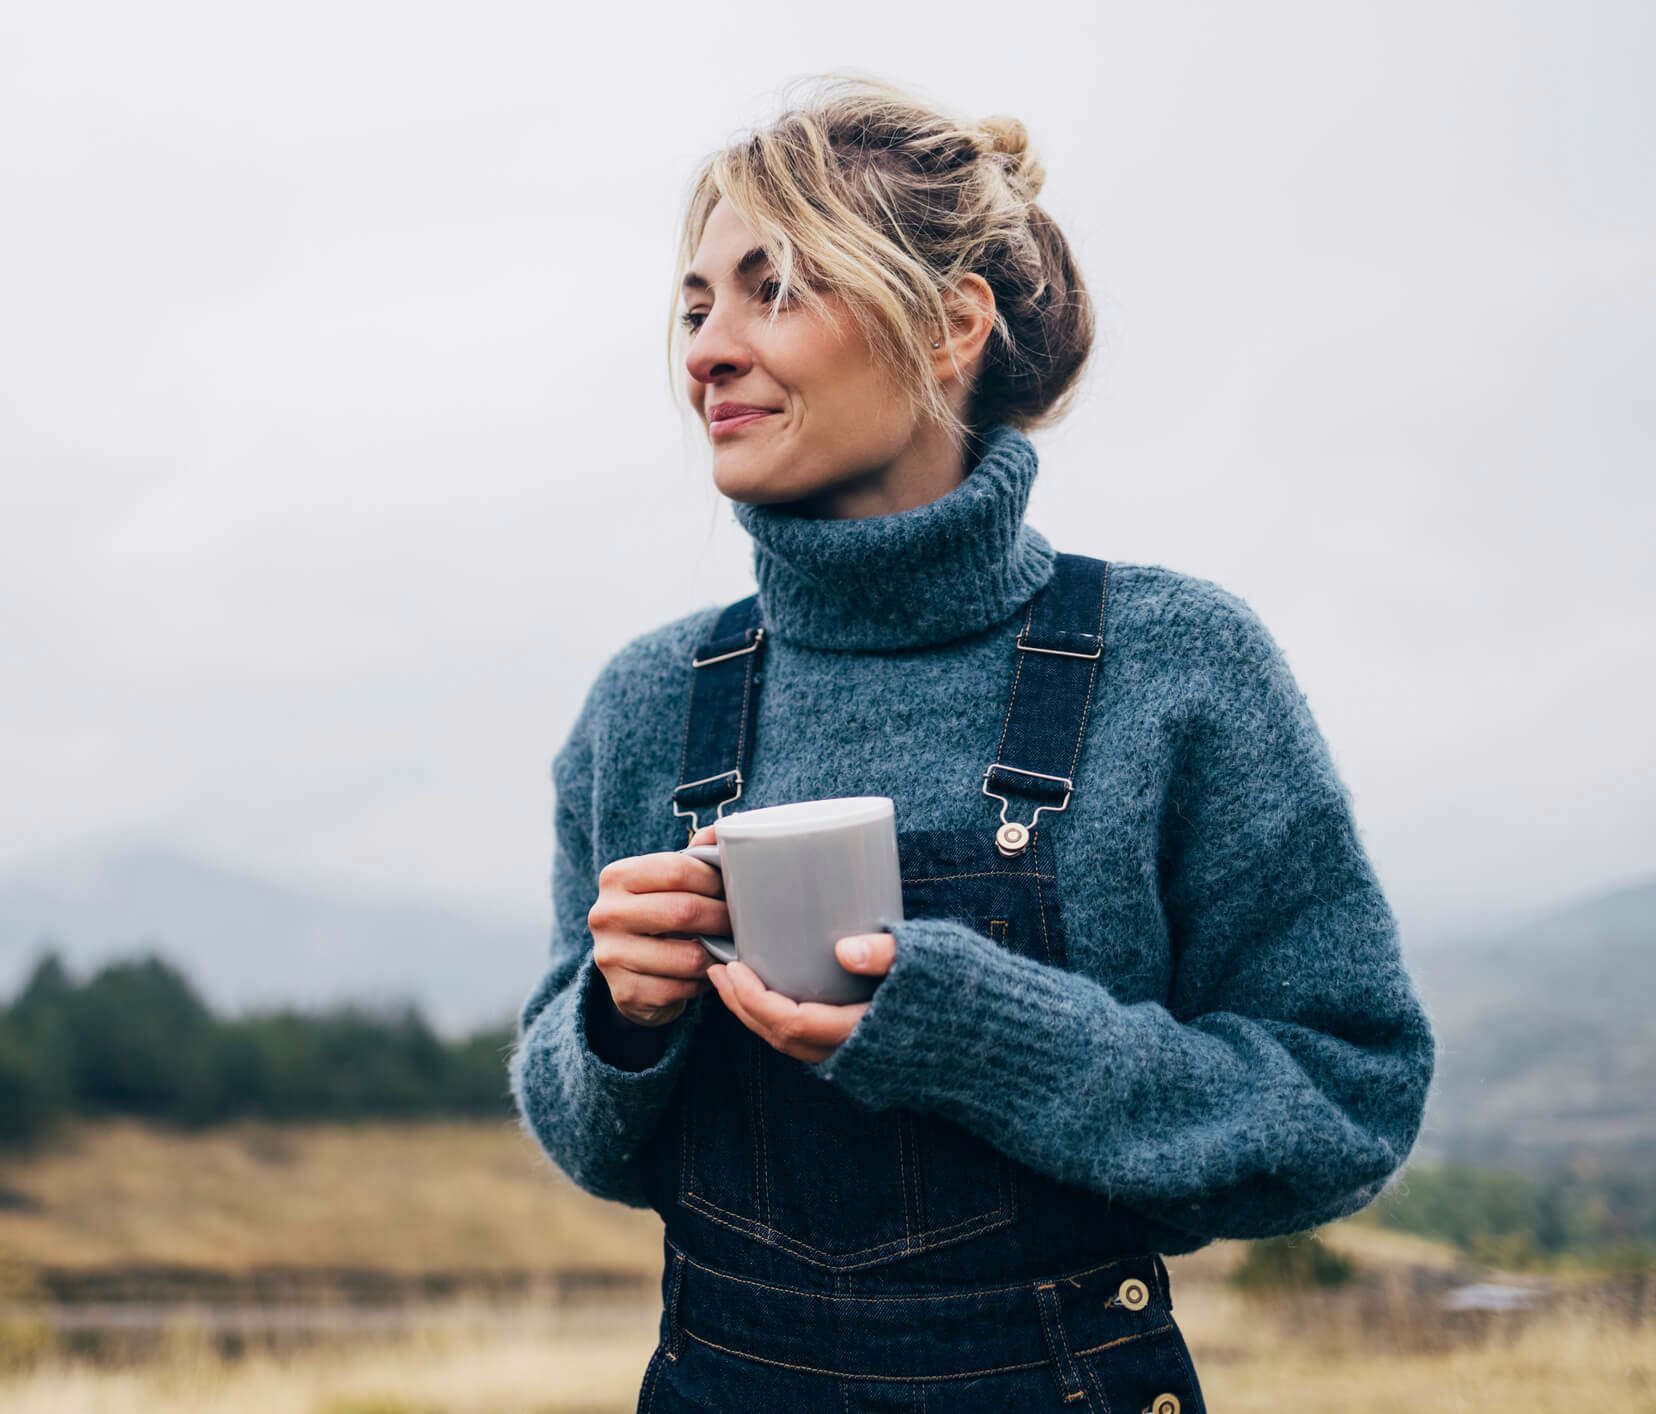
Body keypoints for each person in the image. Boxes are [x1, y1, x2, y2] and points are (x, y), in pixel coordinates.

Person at [508, 72, 1435, 1413]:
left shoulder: (1177, 665)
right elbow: (582, 1128)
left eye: (773, 288)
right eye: (696, 302)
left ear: (949, 327)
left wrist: (983, 1035)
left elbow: (1348, 1105)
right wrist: (618, 1020)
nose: (706, 347)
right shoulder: (650, 701)